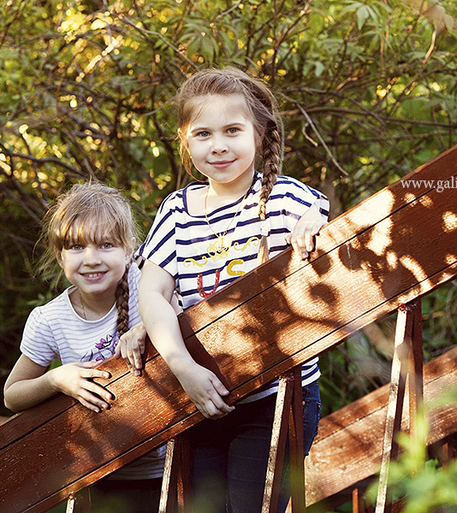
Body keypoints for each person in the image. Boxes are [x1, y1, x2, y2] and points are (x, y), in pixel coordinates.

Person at [137, 67, 329, 513]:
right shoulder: (177, 210)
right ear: (186, 140)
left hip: (277, 396)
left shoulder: (285, 198)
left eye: (232, 130)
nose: (218, 145)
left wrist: (314, 225)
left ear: (260, 134)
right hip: (200, 391)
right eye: (203, 133)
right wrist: (182, 367)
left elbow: (323, 226)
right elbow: (151, 292)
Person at [3, 182, 166, 513]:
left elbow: (185, 314)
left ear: (129, 248)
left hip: (169, 465)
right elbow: (12, 395)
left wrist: (148, 325)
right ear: (60, 255)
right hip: (98, 477)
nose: (91, 259)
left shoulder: (148, 286)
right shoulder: (50, 320)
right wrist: (56, 380)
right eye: (77, 247)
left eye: (105, 244)